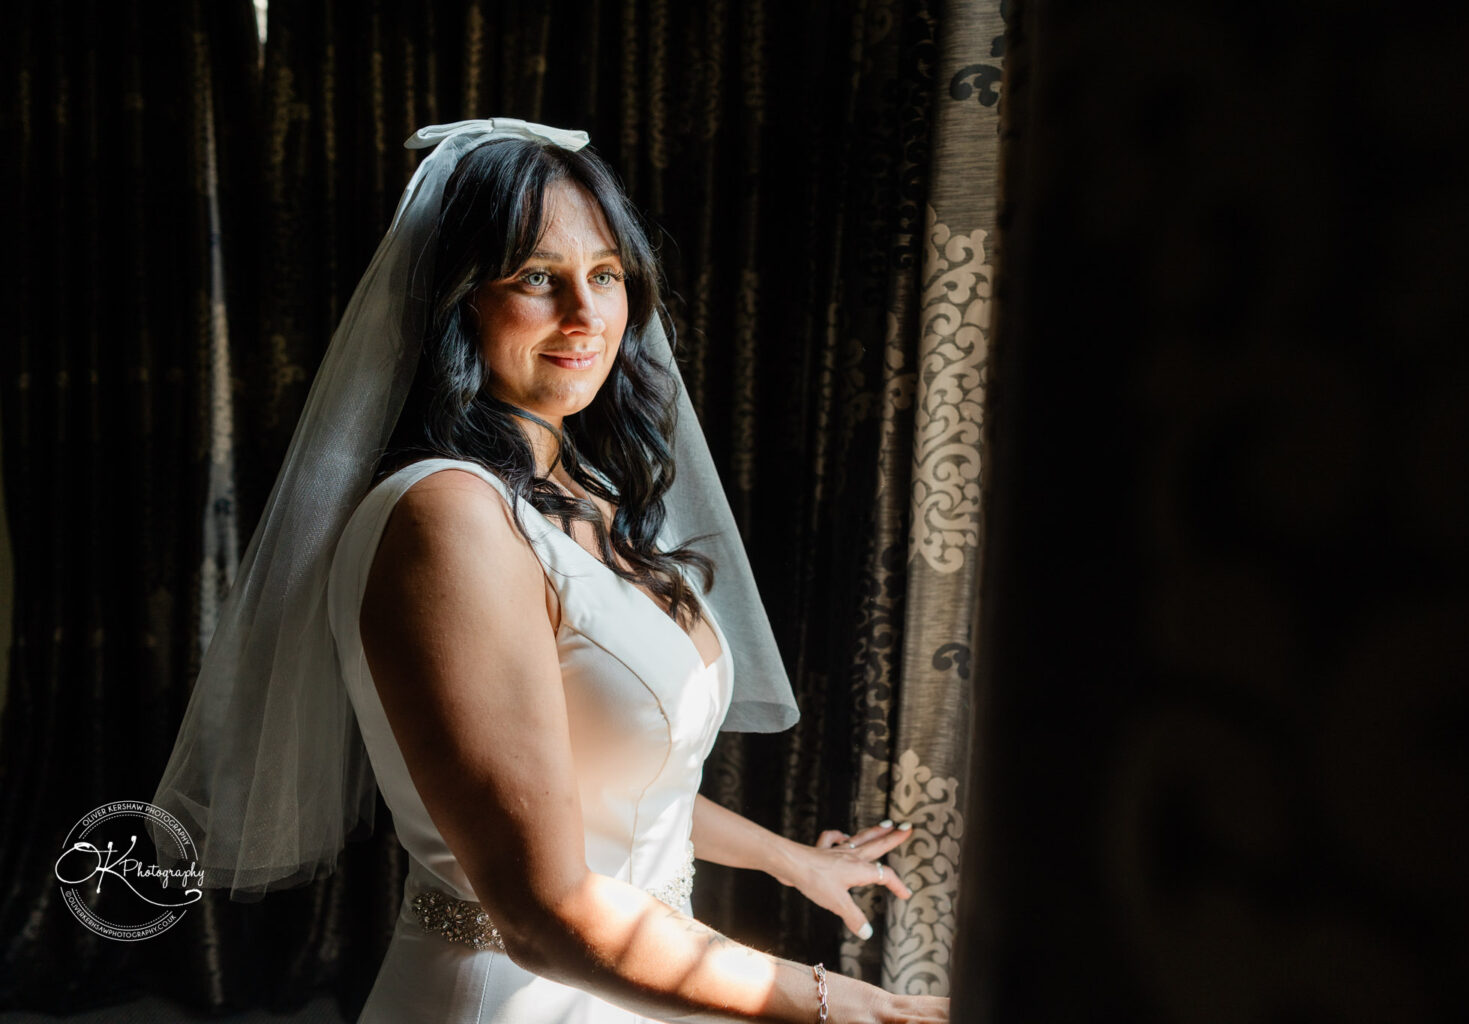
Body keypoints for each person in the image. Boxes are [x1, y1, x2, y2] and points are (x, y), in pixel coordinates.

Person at [154, 118, 949, 1024]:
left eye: (605, 275)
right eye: (538, 277)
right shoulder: (444, 519)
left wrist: (786, 857)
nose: (587, 314)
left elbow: (611, 783)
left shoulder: (584, 494)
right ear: (457, 303)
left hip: (636, 990)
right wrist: (859, 1005)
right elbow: (541, 913)